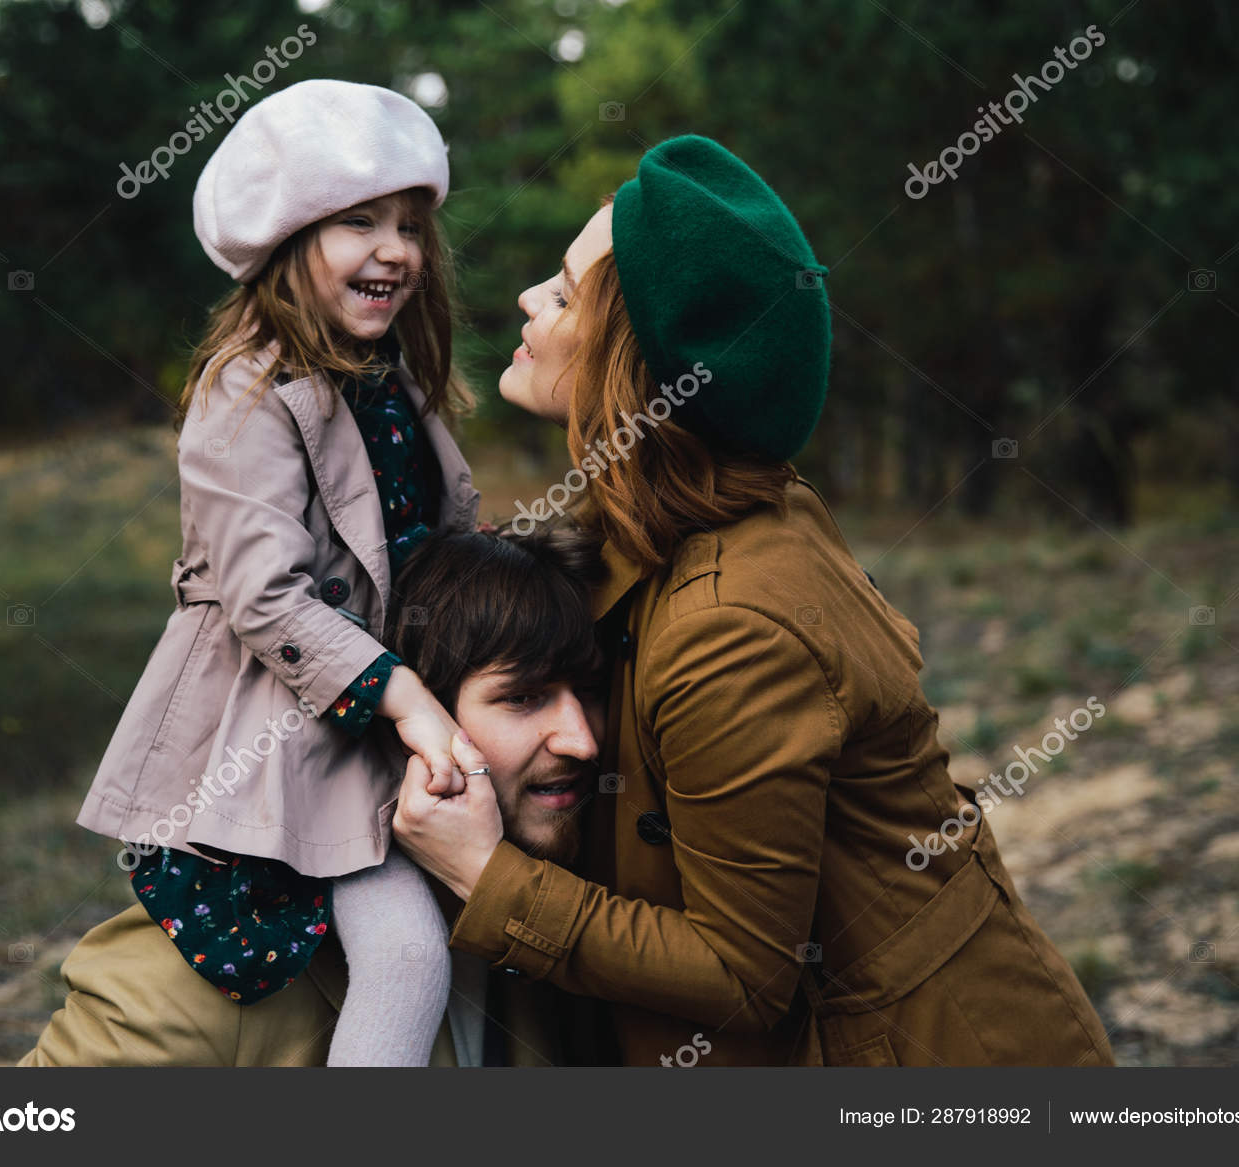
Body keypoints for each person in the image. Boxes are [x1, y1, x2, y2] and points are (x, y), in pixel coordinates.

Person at [395, 134, 1115, 1067]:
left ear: (631, 359)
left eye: (566, 291)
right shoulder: (695, 510)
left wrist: (488, 880)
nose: (531, 300)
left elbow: (743, 971)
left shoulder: (730, 624)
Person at [72, 78, 491, 1067]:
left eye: (409, 226)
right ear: (284, 239)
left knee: (480, 936)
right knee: (406, 958)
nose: (395, 249)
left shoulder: (392, 387)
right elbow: (265, 597)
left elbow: (433, 542)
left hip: (390, 718)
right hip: (294, 728)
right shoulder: (248, 389)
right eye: (358, 221)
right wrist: (409, 702)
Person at [21, 528, 608, 1066]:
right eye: (523, 698)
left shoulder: (576, 925)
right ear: (407, 724)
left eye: (590, 690)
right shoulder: (190, 988)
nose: (581, 741)